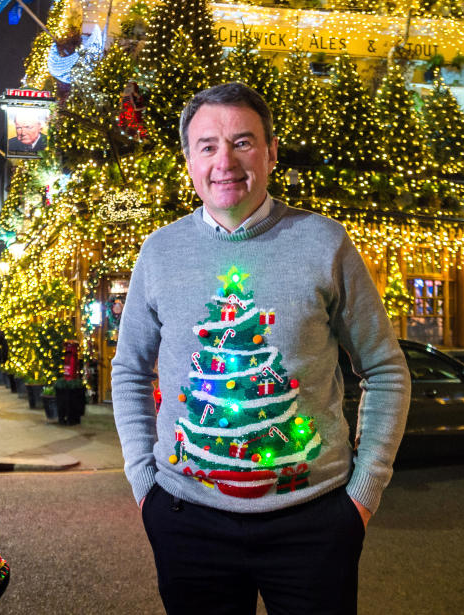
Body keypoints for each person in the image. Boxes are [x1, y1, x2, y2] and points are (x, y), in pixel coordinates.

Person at [109, 82, 410, 615]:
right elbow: (129, 371)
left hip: (312, 524)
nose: (224, 161)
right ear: (189, 160)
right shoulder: (159, 253)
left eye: (243, 142)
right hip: (187, 522)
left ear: (271, 153)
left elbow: (385, 369)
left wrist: (363, 494)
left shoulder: (324, 242)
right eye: (207, 146)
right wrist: (144, 486)